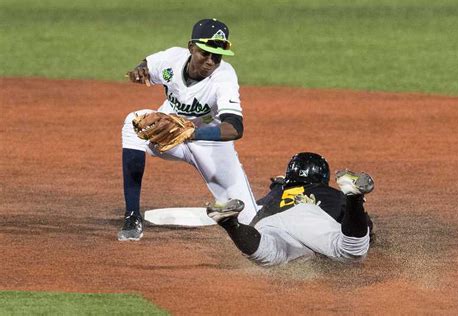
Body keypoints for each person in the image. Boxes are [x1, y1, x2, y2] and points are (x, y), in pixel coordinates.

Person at [118, 18, 258, 241]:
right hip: (168, 136)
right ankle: (132, 215)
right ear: (191, 47)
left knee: (252, 221)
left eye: (217, 55)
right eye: (205, 53)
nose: (211, 61)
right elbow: (148, 64)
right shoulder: (172, 59)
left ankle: (268, 203)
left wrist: (193, 133)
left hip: (211, 145)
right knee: (132, 122)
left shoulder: (224, 77)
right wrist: (139, 70)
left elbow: (234, 128)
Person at [206, 152, 375, 266]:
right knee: (352, 252)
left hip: (268, 223)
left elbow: (256, 219)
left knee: (268, 254)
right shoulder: (332, 194)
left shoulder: (275, 193)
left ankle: (231, 224)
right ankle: (355, 197)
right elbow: (366, 230)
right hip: (308, 216)